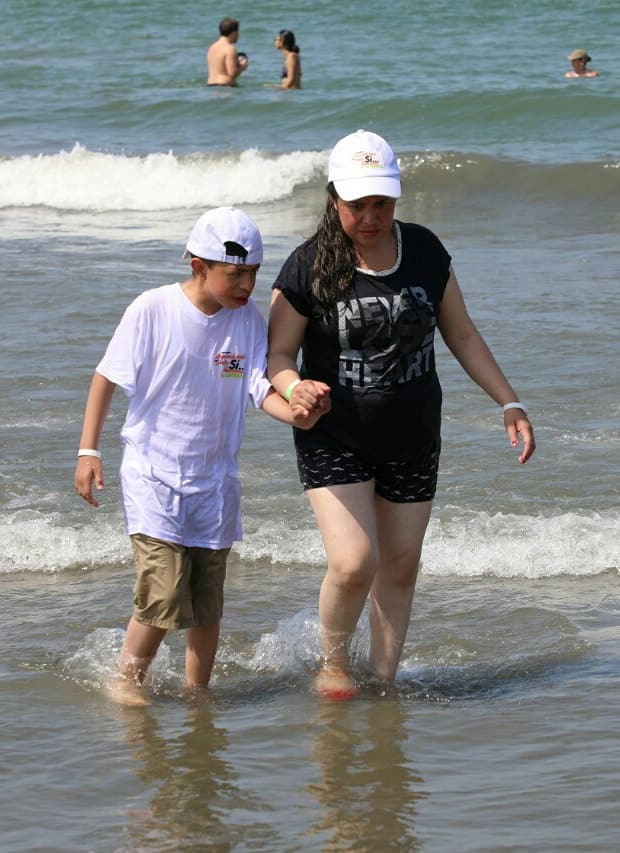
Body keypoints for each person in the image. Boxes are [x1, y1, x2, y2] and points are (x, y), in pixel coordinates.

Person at [267, 129, 535, 701]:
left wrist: (508, 401)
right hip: (334, 434)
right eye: (357, 204)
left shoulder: (425, 251)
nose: (370, 217)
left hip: (413, 435)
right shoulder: (308, 265)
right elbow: (278, 355)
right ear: (334, 199)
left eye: (381, 203)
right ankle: (333, 666)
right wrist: (294, 388)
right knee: (353, 562)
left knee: (401, 564)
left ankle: (383, 679)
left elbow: (462, 334)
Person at [74, 207, 326, 707]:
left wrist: (296, 414)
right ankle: (127, 679)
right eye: (235, 274)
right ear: (199, 267)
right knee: (165, 591)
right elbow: (107, 376)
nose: (246, 285)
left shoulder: (248, 321)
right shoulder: (153, 309)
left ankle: (198, 694)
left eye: (253, 273)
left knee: (207, 603)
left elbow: (260, 388)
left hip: (215, 482)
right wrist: (88, 450)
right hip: (152, 474)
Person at [207, 18, 249, 86]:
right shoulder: (230, 49)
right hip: (225, 87)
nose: (238, 35)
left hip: (211, 85)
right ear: (233, 33)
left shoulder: (212, 47)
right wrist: (242, 67)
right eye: (238, 32)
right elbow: (232, 73)